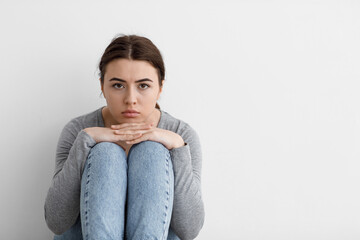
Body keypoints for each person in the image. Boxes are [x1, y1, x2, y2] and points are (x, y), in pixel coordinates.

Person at [44, 34, 205, 240]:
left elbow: (189, 231)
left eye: (143, 86)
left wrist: (178, 148)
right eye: (118, 85)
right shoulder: (79, 130)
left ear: (160, 88)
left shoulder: (181, 134)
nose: (131, 100)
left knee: (152, 151)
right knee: (106, 152)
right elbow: (57, 223)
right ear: (102, 86)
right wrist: (85, 142)